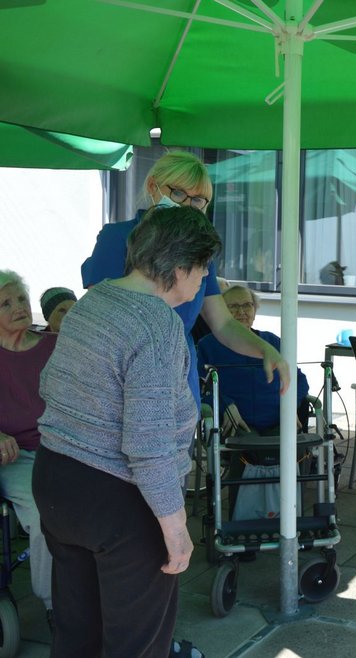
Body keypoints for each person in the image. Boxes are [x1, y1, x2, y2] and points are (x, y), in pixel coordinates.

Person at [34, 206, 222, 657]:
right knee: (136, 644)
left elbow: (49, 384)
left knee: (76, 635)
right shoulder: (156, 323)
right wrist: (175, 528)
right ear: (179, 267)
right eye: (203, 268)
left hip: (57, 480)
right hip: (119, 498)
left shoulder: (93, 301)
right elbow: (148, 443)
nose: (204, 279)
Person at [80, 150, 290, 404]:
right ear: (153, 186)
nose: (187, 205)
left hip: (178, 376)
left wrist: (265, 349)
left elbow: (223, 323)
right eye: (179, 193)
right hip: (121, 375)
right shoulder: (117, 237)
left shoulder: (200, 251)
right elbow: (99, 320)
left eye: (198, 200)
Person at [0, 271, 55, 628]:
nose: (18, 307)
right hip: (15, 456)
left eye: (21, 298)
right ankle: (55, 603)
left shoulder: (55, 346)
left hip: (62, 449)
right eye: (5, 304)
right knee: (44, 510)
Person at [197, 285, 309, 436]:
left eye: (247, 305)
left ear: (255, 310)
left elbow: (300, 381)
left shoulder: (272, 342)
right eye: (233, 306)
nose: (241, 312)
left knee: (289, 442)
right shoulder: (208, 346)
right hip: (235, 422)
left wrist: (290, 406)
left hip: (278, 420)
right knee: (246, 444)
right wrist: (225, 405)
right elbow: (199, 389)